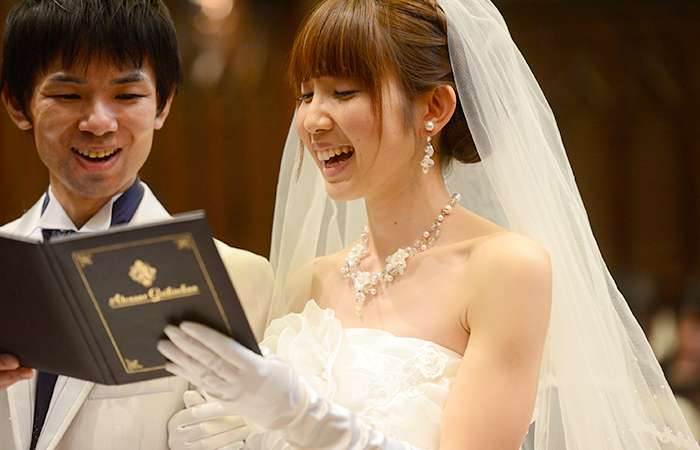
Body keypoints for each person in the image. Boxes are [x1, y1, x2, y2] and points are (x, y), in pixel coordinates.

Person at [158, 0, 699, 449]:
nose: (313, 120)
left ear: (434, 107)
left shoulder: (505, 269)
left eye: (343, 92)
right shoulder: (310, 282)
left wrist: (299, 416)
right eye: (305, 94)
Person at [0, 0, 273, 449]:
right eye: (68, 96)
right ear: (18, 104)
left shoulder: (235, 278)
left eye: (127, 96)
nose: (99, 123)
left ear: (163, 104)